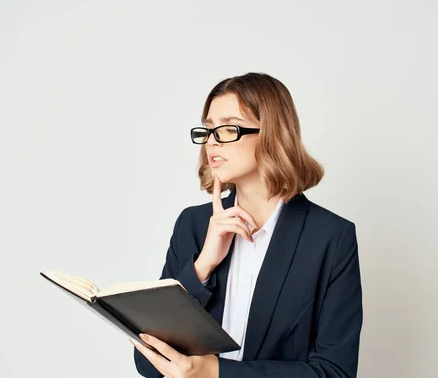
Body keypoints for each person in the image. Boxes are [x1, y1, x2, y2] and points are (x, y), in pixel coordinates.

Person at [131, 72, 363, 378]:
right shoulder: (194, 225)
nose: (212, 142)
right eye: (209, 129)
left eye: (227, 129)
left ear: (271, 134)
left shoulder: (331, 238)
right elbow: (148, 363)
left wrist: (216, 372)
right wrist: (202, 268)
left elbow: (334, 372)